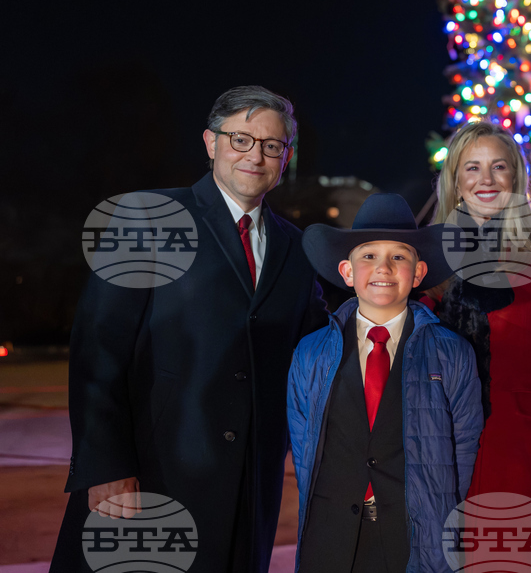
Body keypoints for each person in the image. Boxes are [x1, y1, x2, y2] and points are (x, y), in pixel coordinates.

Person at [50, 86, 329, 573]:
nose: (256, 155)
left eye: (272, 145)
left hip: (249, 491)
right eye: (241, 139)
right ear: (210, 143)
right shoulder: (148, 218)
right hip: (150, 480)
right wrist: (107, 468)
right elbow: (99, 349)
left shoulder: (299, 249)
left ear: (286, 157)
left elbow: (320, 352)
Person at [423, 120, 531, 573]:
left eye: (499, 167)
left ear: (516, 177)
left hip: (523, 456)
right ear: (456, 181)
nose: (486, 179)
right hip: (443, 456)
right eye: (472, 168)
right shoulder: (429, 258)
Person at [288, 193, 483, 573]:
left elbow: (463, 452)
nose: (384, 267)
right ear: (347, 272)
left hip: (413, 537)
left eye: (399, 256)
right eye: (369, 256)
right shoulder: (310, 354)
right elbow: (304, 446)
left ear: (419, 272)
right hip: (330, 537)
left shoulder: (452, 353)